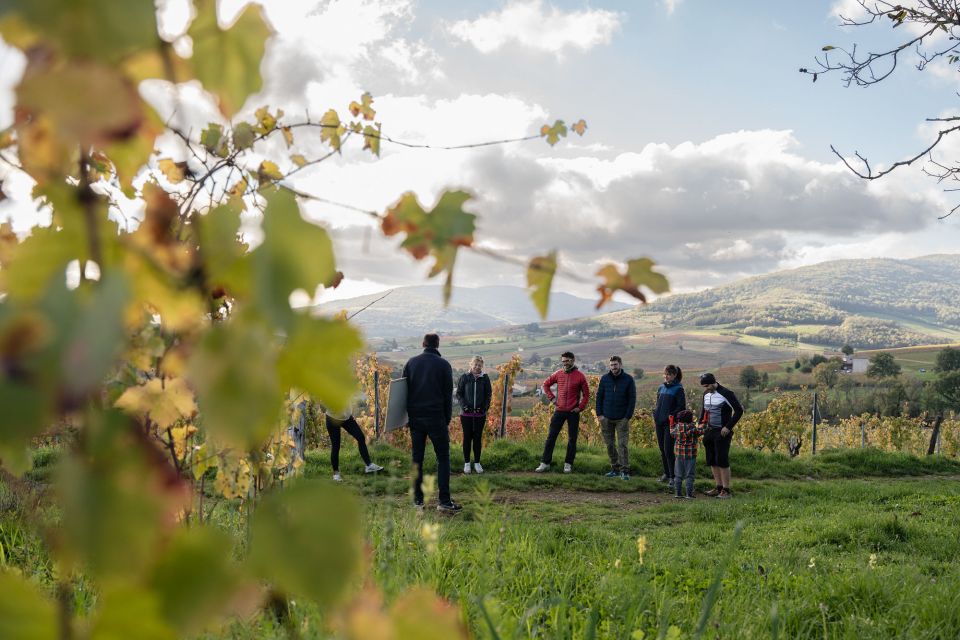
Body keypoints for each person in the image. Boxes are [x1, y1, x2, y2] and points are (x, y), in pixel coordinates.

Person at [403, 333, 461, 512]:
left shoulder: (411, 363)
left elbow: (403, 392)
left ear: (423, 344)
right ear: (437, 345)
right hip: (436, 418)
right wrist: (447, 419)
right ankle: (444, 501)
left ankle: (417, 502)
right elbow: (447, 395)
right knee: (443, 458)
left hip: (416, 418)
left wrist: (405, 418)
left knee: (416, 459)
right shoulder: (444, 365)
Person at [535, 351, 590, 473]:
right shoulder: (558, 374)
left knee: (572, 439)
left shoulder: (580, 376)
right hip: (559, 411)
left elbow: (586, 395)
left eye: (567, 361)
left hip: (573, 412)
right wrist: (552, 399)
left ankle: (568, 464)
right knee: (551, 437)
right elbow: (546, 385)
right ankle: (545, 463)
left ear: (573, 360)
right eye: (563, 361)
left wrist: (580, 407)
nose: (565, 363)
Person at [698, 372, 743, 499]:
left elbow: (739, 411)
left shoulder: (727, 393)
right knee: (712, 460)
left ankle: (726, 490)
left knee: (722, 460)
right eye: (704, 386)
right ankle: (718, 488)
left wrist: (728, 427)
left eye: (707, 385)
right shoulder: (706, 394)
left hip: (722, 432)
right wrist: (701, 424)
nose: (706, 388)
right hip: (709, 431)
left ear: (713, 382)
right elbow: (703, 411)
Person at [595, 355, 636, 480]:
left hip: (621, 419)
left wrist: (627, 417)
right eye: (611, 365)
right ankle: (615, 468)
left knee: (622, 445)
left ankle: (625, 471)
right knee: (610, 445)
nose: (613, 367)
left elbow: (632, 399)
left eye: (615, 365)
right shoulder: (605, 379)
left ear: (620, 365)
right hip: (606, 418)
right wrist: (600, 415)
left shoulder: (628, 379)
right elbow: (599, 397)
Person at [455, 355, 493, 475]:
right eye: (475, 365)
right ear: (471, 365)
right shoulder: (464, 377)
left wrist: (484, 408)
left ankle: (477, 462)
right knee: (467, 437)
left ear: (482, 366)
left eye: (479, 365)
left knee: (477, 438)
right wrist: (464, 406)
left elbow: (488, 395)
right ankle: (467, 463)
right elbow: (459, 394)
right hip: (465, 414)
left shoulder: (485, 378)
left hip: (480, 414)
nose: (477, 367)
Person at [324, 409, 384, 482]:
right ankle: (336, 474)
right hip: (332, 419)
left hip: (347, 418)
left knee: (361, 437)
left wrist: (349, 413)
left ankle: (369, 465)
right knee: (336, 445)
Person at [653, 364, 686, 491]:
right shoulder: (661, 387)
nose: (665, 376)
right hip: (659, 422)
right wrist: (655, 413)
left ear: (674, 375)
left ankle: (673, 477)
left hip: (670, 424)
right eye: (665, 374)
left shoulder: (679, 389)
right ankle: (667, 474)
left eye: (668, 374)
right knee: (662, 449)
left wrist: (670, 416)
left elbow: (681, 407)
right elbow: (658, 402)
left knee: (668, 450)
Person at [669, 409, 707, 499]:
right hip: (691, 455)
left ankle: (678, 493)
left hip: (679, 455)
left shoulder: (677, 428)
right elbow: (703, 430)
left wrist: (671, 423)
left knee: (678, 475)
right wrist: (705, 421)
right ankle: (689, 495)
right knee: (689, 475)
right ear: (690, 419)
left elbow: (672, 433)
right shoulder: (693, 428)